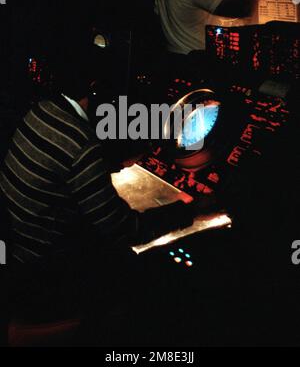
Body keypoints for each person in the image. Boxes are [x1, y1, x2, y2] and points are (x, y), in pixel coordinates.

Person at [0, 24, 216, 344]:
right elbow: (123, 228)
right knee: (149, 270)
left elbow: (62, 172)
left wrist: (108, 165)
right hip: (46, 274)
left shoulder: (41, 111)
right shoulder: (79, 143)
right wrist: (189, 210)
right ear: (97, 91)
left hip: (20, 257)